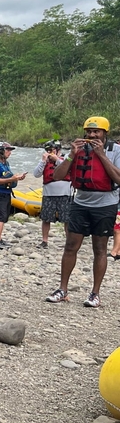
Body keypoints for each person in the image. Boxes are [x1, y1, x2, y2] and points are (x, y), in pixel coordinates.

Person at [45, 117, 120, 308]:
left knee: (100, 248)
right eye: (89, 131)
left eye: (97, 132)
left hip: (105, 205)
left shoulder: (115, 150)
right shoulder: (78, 150)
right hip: (80, 203)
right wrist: (71, 154)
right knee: (70, 245)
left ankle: (95, 293)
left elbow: (118, 178)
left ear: (105, 133)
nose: (92, 135)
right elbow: (57, 175)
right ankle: (62, 289)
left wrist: (101, 155)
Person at [0, 142, 26, 249]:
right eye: (7, 150)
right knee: (1, 216)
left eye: (10, 151)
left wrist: (17, 178)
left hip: (6, 193)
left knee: (0, 216)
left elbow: (9, 176)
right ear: (0, 151)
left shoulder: (5, 164)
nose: (9, 153)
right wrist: (11, 179)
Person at [33, 140, 71, 249]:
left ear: (58, 150)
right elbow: (36, 174)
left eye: (52, 150)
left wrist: (57, 160)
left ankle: (68, 241)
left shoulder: (66, 158)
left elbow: (69, 169)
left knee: (67, 219)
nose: (49, 152)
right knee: (46, 218)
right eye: (48, 150)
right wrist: (43, 161)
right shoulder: (45, 161)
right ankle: (44, 241)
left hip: (65, 194)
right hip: (49, 194)